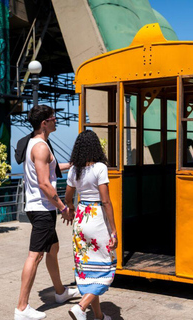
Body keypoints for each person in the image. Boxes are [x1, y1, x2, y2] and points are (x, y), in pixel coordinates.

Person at [15, 105, 80, 320]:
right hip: (42, 208)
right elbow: (44, 183)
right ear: (44, 123)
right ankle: (22, 307)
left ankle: (60, 292)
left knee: (53, 249)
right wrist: (63, 207)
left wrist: (72, 164)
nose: (56, 121)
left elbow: (50, 168)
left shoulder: (37, 145)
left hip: (41, 208)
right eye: (53, 118)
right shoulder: (41, 147)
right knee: (35, 256)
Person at [64, 130, 118, 320]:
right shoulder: (100, 168)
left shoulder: (73, 170)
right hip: (97, 220)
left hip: (80, 219)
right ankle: (81, 306)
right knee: (107, 268)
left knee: (89, 270)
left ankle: (99, 316)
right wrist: (114, 230)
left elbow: (68, 197)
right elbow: (106, 201)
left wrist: (70, 208)